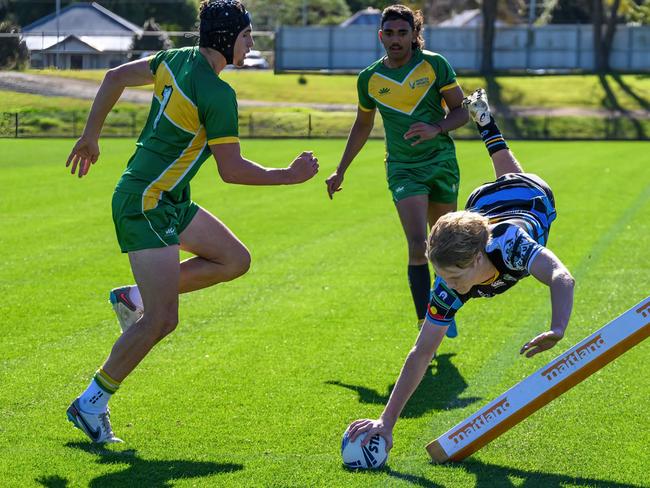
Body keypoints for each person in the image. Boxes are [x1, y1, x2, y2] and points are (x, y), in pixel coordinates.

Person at [64, 0, 319, 444]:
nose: (251, 44)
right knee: (162, 319)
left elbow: (114, 77)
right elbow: (232, 169)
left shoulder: (174, 60)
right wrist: (289, 176)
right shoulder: (218, 94)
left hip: (166, 199)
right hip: (146, 202)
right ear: (225, 38)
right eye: (246, 36)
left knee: (234, 259)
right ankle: (90, 403)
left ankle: (134, 297)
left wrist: (91, 135)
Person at [346, 88, 575, 452]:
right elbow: (421, 352)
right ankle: (484, 121)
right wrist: (385, 421)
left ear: (480, 258)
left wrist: (557, 327)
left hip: (532, 199)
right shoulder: (450, 281)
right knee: (495, 187)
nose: (446, 285)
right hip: (479, 203)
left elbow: (561, 276)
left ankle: (487, 123)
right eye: (443, 276)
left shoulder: (511, 246)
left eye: (452, 276)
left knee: (514, 177)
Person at [326, 5, 469, 330]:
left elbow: (461, 111)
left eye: (402, 33)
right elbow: (362, 125)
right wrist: (341, 169)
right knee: (419, 244)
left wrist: (437, 127)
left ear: (414, 35)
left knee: (446, 246)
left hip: (441, 163)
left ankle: (443, 300)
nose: (395, 39)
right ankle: (426, 322)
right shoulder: (370, 79)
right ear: (380, 35)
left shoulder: (434, 65)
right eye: (389, 33)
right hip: (403, 168)